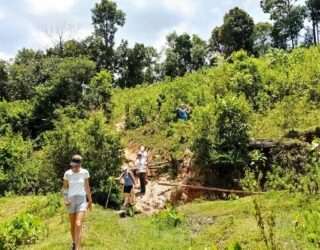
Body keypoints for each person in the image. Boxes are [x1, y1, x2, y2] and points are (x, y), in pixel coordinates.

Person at [63, 155, 92, 250]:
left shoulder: (85, 172)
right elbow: (65, 188)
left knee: (78, 223)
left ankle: (78, 248)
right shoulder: (67, 173)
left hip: (81, 199)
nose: (74, 167)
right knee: (72, 226)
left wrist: (90, 200)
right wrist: (65, 199)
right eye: (73, 165)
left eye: (76, 166)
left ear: (80, 164)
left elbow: (87, 187)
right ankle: (75, 242)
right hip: (71, 200)